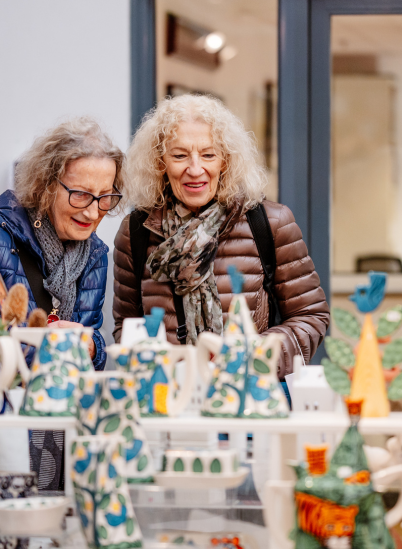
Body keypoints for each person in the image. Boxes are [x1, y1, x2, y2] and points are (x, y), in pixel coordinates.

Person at [0, 116, 120, 491]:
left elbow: (92, 350)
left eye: (105, 197)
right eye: (80, 194)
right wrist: (49, 345)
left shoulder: (93, 255)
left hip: (63, 432)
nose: (93, 212)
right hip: (4, 430)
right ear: (45, 185)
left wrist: (91, 344)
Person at [113, 94, 329, 378]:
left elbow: (311, 317)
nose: (194, 168)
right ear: (160, 162)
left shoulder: (269, 223)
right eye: (179, 155)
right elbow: (125, 328)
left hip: (248, 399)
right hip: (169, 403)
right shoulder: (136, 232)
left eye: (208, 154)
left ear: (225, 160)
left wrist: (249, 357)